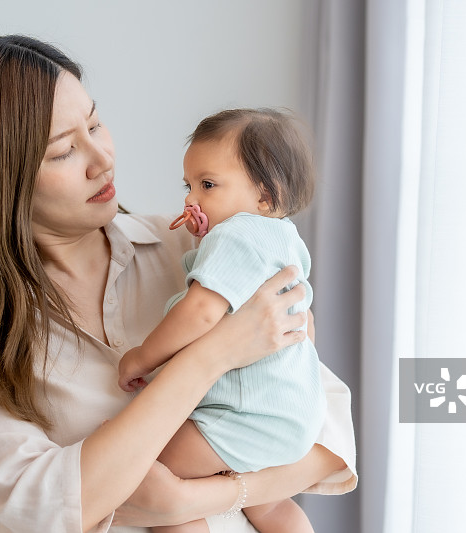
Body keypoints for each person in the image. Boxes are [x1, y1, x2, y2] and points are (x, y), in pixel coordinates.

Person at [0, 34, 357, 533]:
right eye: (64, 150)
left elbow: (329, 438)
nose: (102, 159)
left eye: (95, 124)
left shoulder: (199, 251)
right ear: (0, 178)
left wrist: (196, 500)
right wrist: (212, 355)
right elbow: (45, 509)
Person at [118, 108, 325, 533]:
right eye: (189, 185)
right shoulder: (282, 237)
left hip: (244, 415)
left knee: (151, 473)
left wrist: (141, 357)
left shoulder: (237, 235)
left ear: (265, 196)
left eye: (208, 185)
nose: (191, 199)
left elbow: (201, 312)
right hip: (291, 414)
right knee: (270, 505)